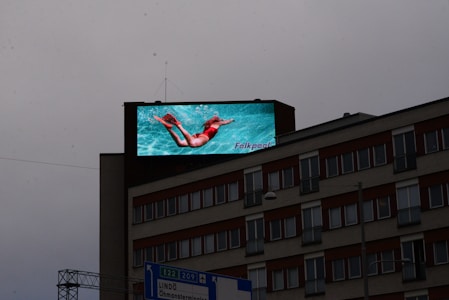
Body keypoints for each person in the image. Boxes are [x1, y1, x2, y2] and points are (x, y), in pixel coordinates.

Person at [153, 113, 234, 148]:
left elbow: (218, 120)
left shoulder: (208, 124)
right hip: (204, 137)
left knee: (180, 144)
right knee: (191, 144)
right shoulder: (217, 124)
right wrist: (232, 120)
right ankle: (178, 125)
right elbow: (226, 122)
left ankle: (169, 129)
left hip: (198, 135)